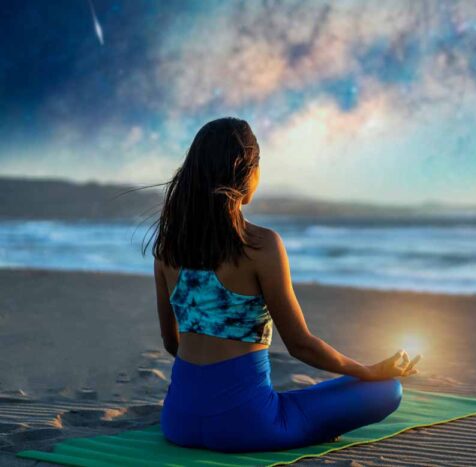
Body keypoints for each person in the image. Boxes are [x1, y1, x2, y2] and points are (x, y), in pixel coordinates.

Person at [147, 117, 421, 453]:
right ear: (247, 170)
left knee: (279, 399)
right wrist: (369, 369)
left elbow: (170, 342)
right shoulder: (260, 246)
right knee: (387, 390)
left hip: (178, 422)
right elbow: (300, 345)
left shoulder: (168, 248)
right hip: (247, 426)